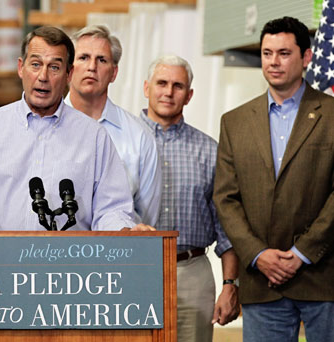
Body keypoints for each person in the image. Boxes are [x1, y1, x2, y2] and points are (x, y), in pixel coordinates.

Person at [0, 26, 151, 231]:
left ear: (68, 74)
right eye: (35, 64)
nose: (43, 76)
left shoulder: (94, 136)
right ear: (20, 68)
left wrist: (126, 230)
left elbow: (111, 210)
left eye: (55, 67)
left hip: (68, 271)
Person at [214, 16, 334, 342]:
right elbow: (225, 198)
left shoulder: (331, 115)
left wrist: (302, 253)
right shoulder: (234, 122)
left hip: (322, 279)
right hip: (261, 282)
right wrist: (257, 254)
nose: (274, 62)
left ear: (306, 57)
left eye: (283, 53)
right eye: (267, 53)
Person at [140, 55, 240, 342]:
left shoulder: (210, 151)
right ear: (146, 88)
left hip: (193, 271)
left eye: (178, 85)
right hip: (135, 267)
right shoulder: (123, 142)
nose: (168, 92)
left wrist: (230, 284)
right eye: (161, 83)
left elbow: (226, 226)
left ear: (190, 95)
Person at [65, 25, 162, 226]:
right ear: (69, 67)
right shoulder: (43, 129)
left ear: (114, 73)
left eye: (102, 60)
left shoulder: (139, 137)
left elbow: (146, 218)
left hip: (118, 254)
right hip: (52, 252)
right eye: (83, 57)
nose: (92, 67)